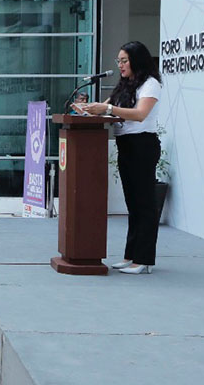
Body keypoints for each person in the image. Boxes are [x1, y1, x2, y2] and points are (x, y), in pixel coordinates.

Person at [74, 41, 162, 275]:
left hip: (143, 144)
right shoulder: (125, 85)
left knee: (144, 203)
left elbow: (140, 114)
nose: (120, 65)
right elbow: (106, 107)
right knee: (132, 203)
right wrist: (87, 109)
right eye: (119, 61)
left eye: (124, 61)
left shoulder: (150, 84)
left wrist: (109, 110)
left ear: (137, 60)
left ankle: (144, 259)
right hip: (126, 145)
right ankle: (130, 255)